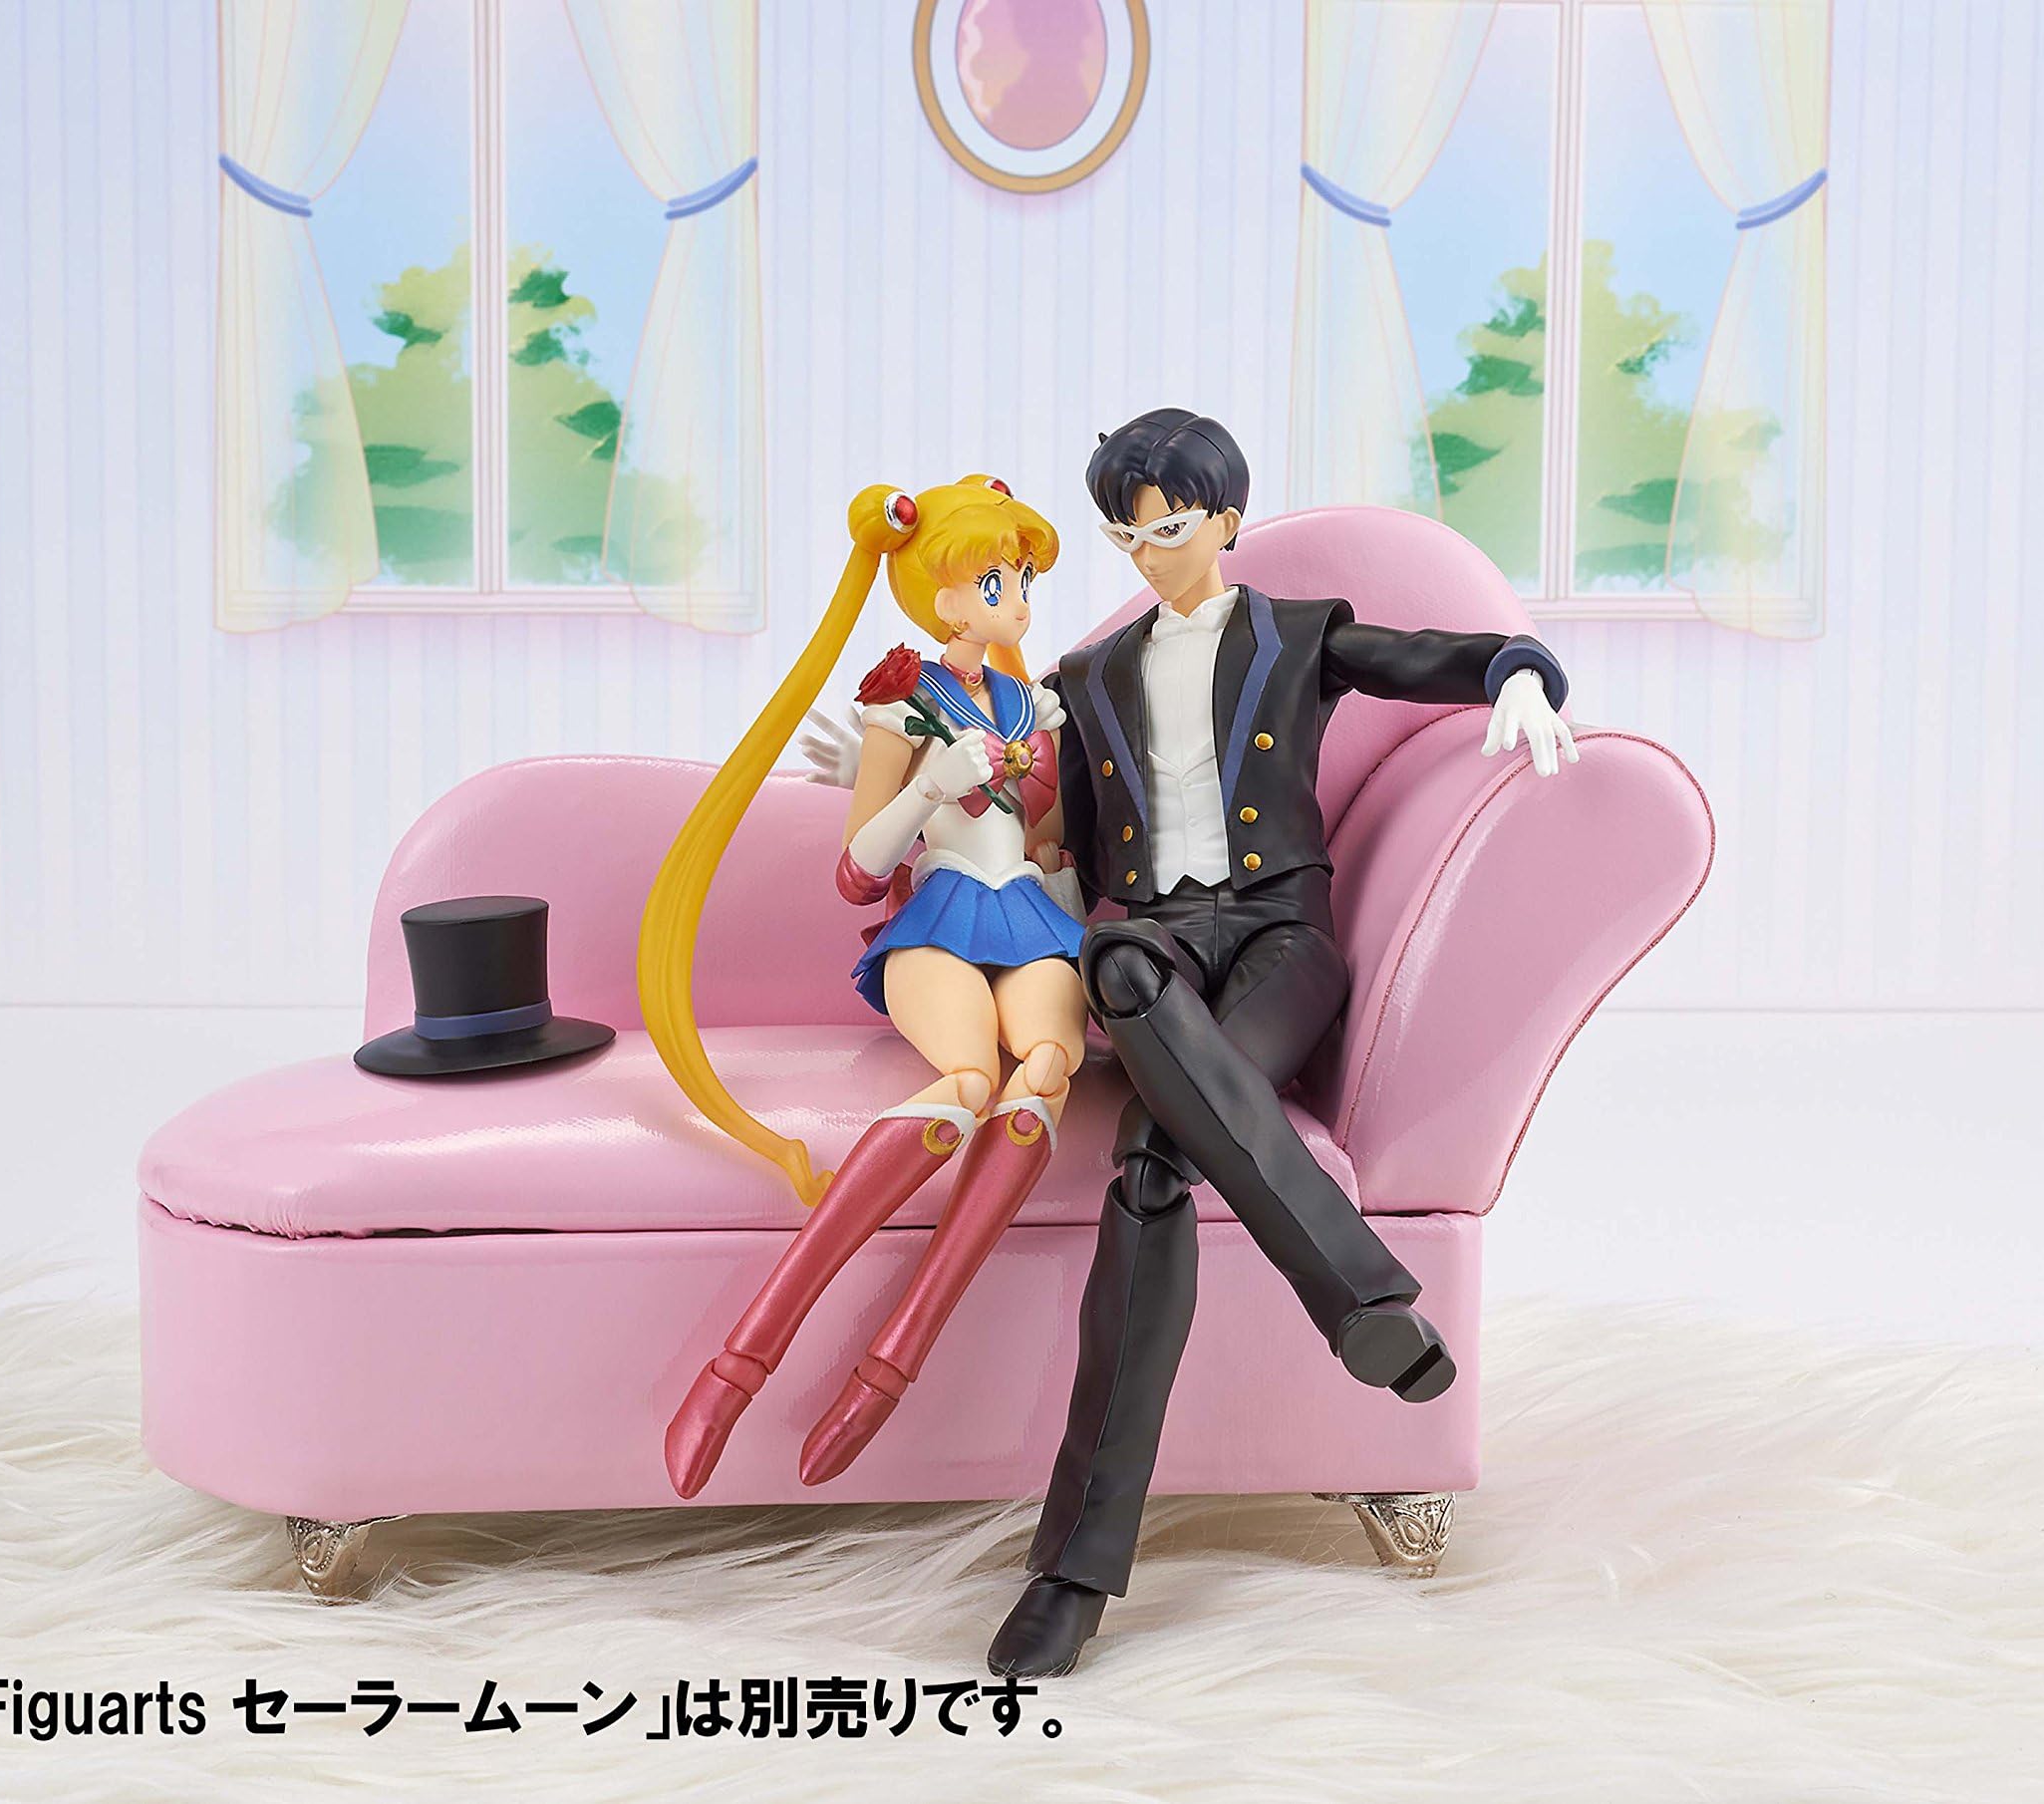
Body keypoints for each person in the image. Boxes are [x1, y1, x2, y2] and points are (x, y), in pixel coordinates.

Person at [988, 410, 1579, 1676]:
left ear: (1224, 519)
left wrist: (1518, 669)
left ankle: (1072, 1574)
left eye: (1167, 527)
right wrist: (951, 789)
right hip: (1152, 944)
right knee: (1116, 961)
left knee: (1152, 1164)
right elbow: (1067, 846)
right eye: (1125, 537)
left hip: (1278, 943)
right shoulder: (1087, 679)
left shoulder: (1297, 633)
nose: (1148, 554)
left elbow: (1422, 654)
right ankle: (1360, 1293)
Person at [640, 476, 1089, 1496]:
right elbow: (856, 870)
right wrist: (926, 785)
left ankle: (892, 1362)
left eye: (1020, 580)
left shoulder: (1034, 704)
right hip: (940, 913)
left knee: (1042, 1079)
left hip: (1028, 915)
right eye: (997, 581)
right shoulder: (903, 699)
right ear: (943, 596)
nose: (1017, 599)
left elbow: (1049, 837)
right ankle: (742, 1361)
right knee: (968, 1084)